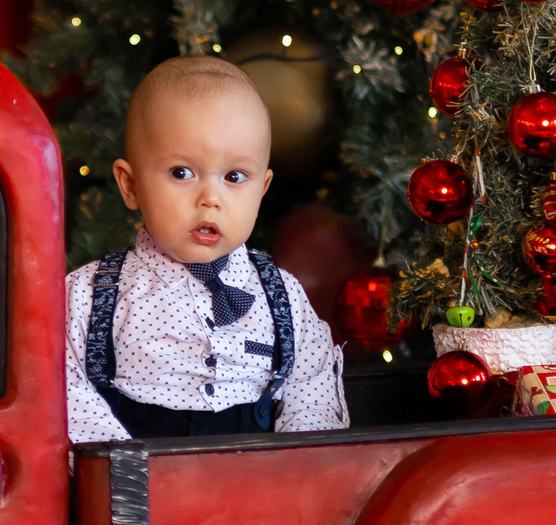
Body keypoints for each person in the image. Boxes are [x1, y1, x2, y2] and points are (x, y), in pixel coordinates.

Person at [66, 56, 347, 441]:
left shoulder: (282, 296)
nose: (211, 198)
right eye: (182, 173)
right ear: (130, 185)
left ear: (261, 190)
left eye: (234, 177)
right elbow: (65, 393)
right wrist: (122, 473)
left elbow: (312, 391)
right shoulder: (93, 294)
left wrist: (294, 466)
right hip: (140, 488)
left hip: (258, 484)